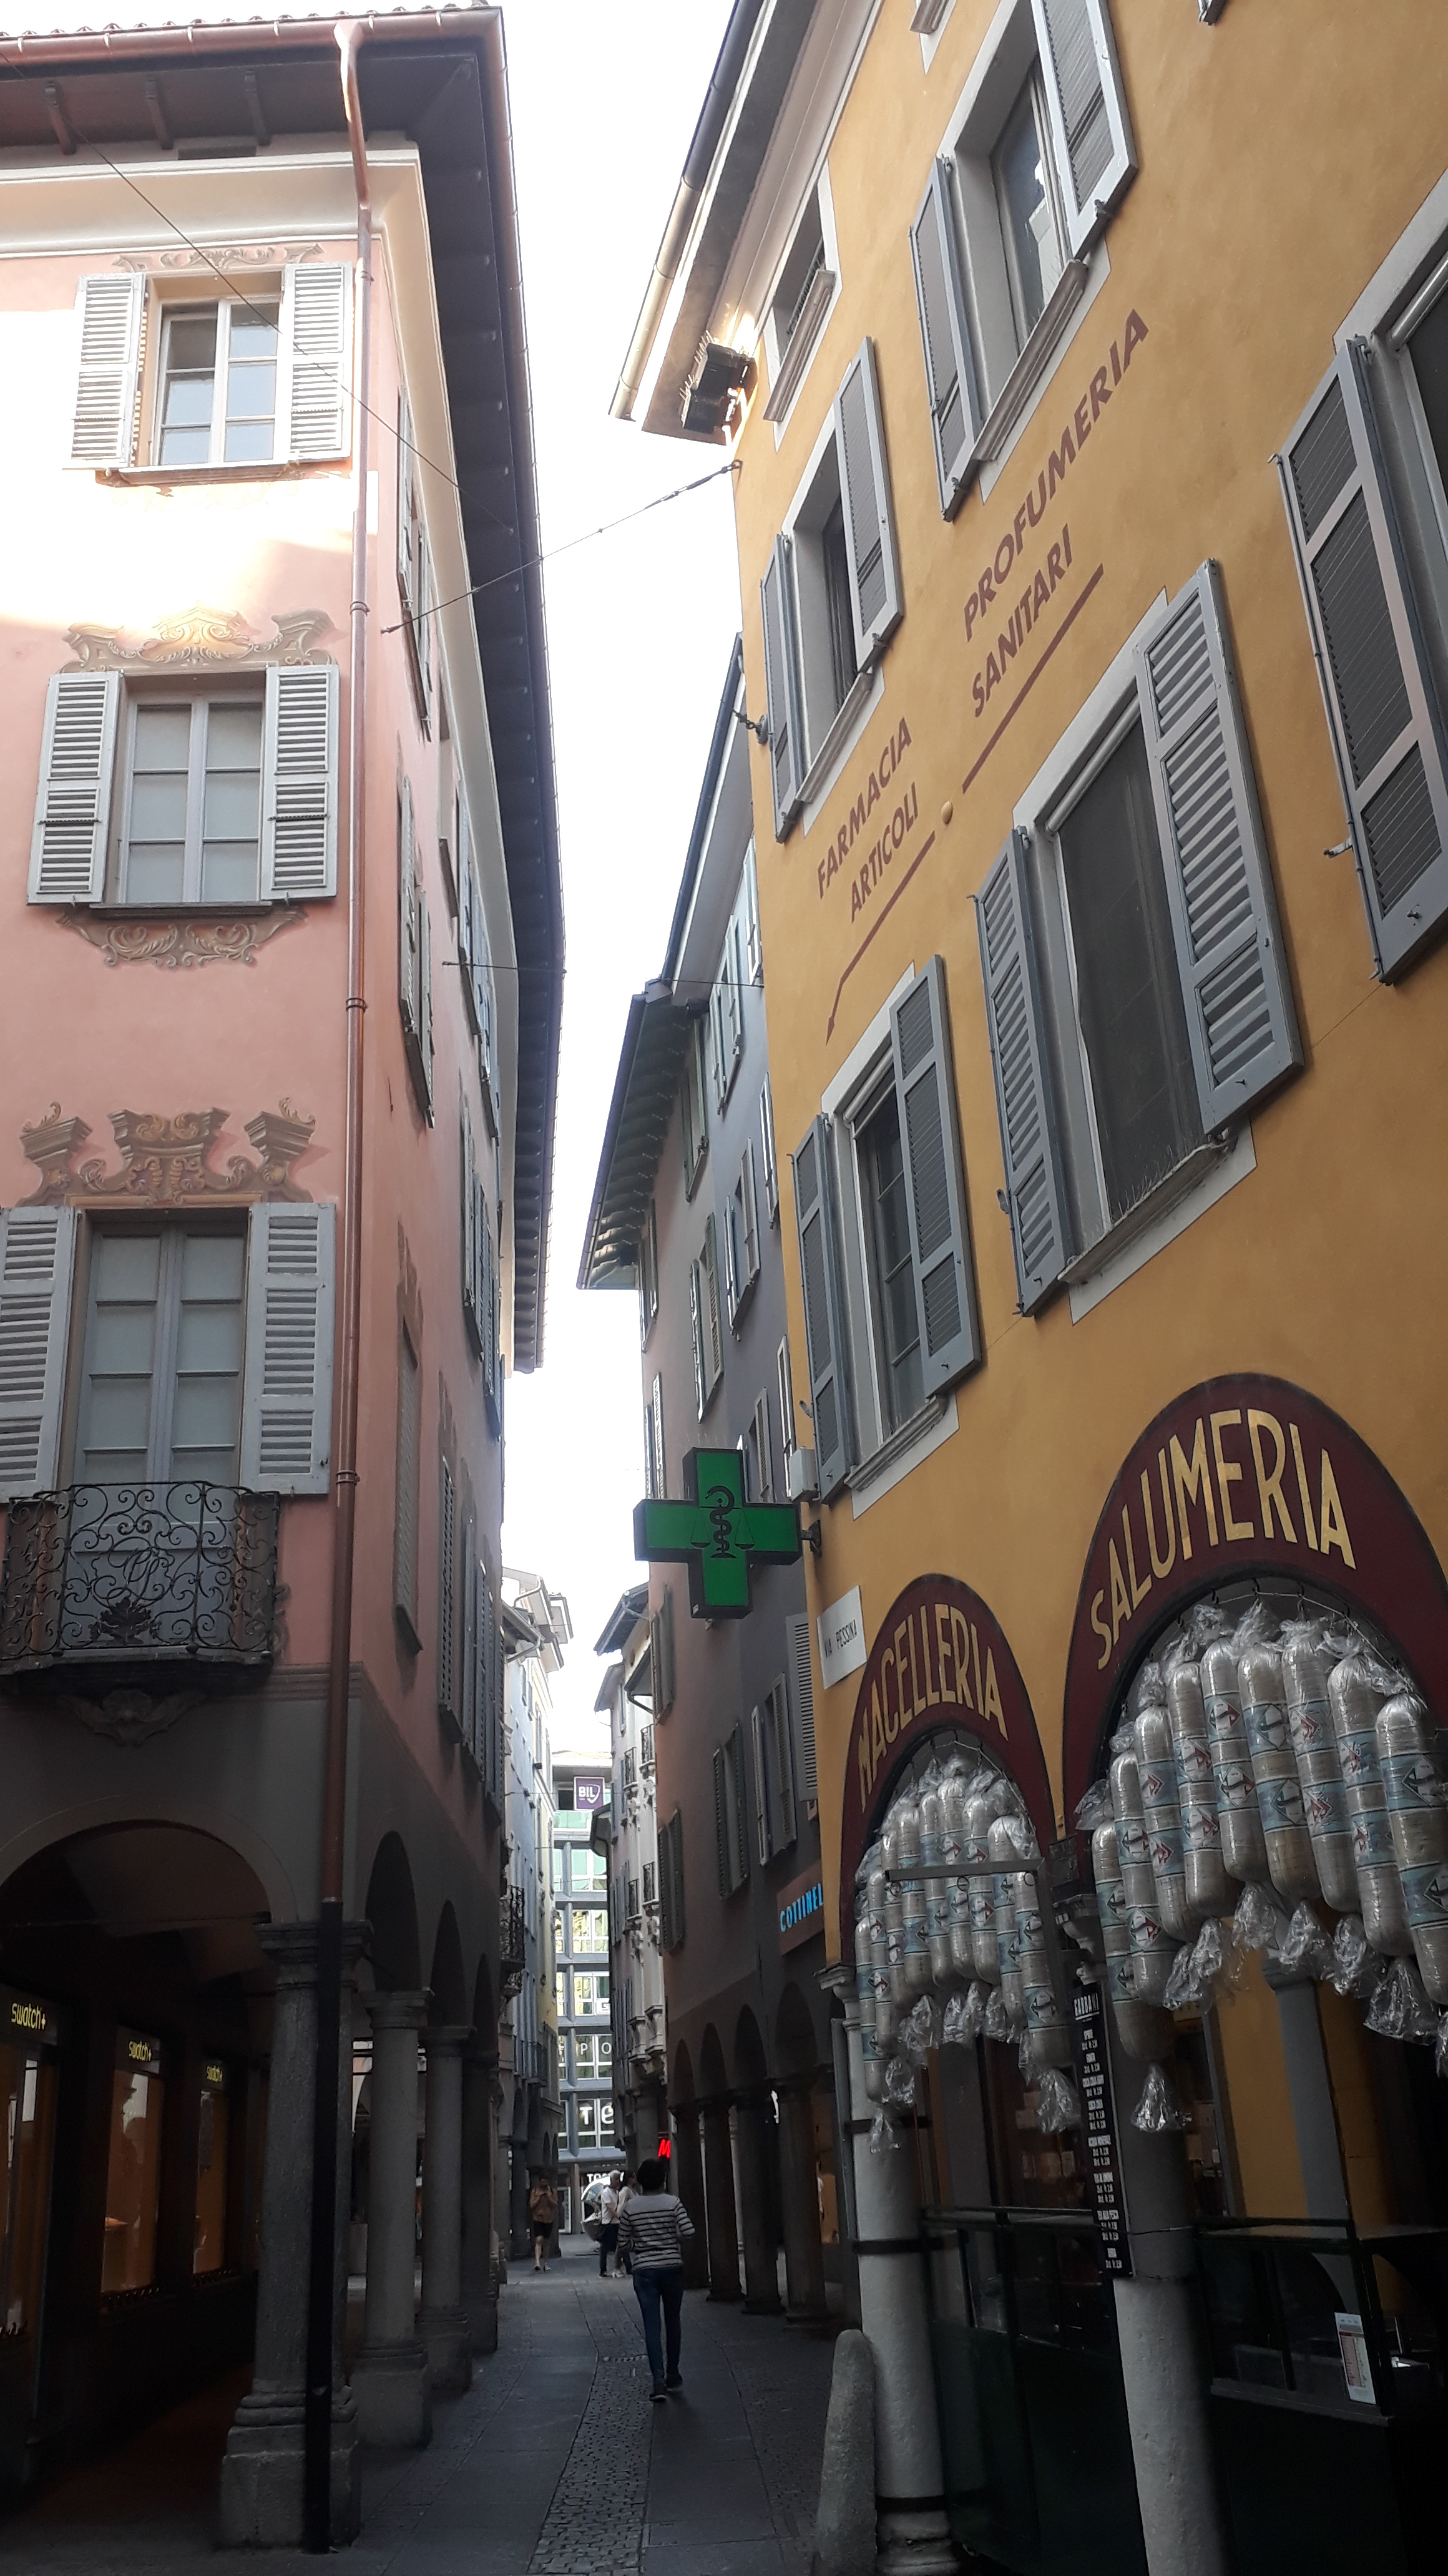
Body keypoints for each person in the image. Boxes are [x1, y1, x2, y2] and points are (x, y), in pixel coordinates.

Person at [616, 2154, 695, 2399]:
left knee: (652, 2325)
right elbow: (689, 2231)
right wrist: (671, 2241)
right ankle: (673, 2373)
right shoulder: (673, 2203)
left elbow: (623, 2242)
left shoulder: (631, 2208)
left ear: (640, 2181)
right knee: (673, 2321)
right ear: (663, 2180)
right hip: (672, 2266)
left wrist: (641, 2246)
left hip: (645, 2270)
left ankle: (658, 2382)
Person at [527, 2169, 557, 2273]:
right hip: (538, 2218)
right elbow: (531, 2205)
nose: (544, 2184)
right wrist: (538, 2198)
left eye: (546, 2182)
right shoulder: (535, 2192)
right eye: (543, 2181)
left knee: (547, 2241)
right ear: (539, 2181)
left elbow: (555, 2204)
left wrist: (549, 2197)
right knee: (539, 2239)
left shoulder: (552, 2191)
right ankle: (537, 2262)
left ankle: (546, 2263)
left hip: (549, 2219)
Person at [597, 2170, 620, 2278]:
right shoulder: (606, 2192)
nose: (618, 2181)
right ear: (611, 2180)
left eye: (619, 2178)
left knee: (621, 2245)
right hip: (608, 2223)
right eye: (616, 2179)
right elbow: (609, 2207)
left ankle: (626, 2267)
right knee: (605, 2248)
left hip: (616, 2223)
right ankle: (603, 2269)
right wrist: (618, 2216)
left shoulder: (617, 2193)